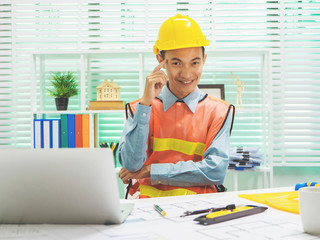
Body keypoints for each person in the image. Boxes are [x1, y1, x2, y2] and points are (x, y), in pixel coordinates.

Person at [118, 14, 234, 199]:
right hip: (147, 211)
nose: (186, 73)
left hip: (199, 210)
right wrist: (145, 104)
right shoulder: (139, 109)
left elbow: (215, 172)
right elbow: (131, 165)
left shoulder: (218, 111)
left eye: (194, 62)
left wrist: (150, 171)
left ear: (204, 59)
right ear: (160, 60)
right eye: (176, 63)